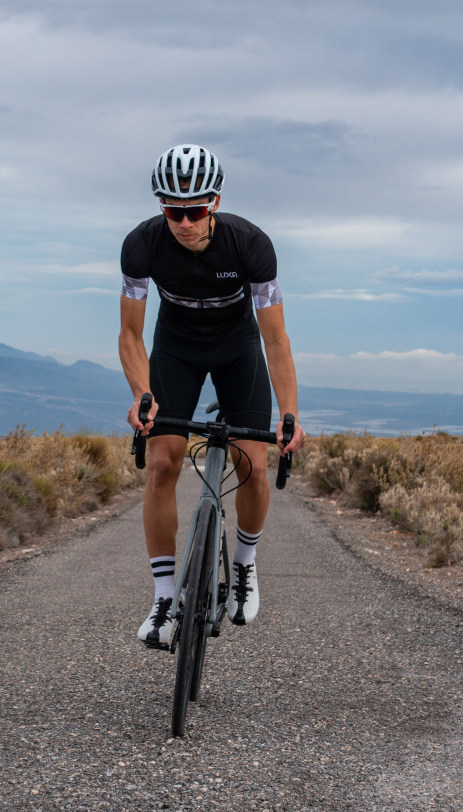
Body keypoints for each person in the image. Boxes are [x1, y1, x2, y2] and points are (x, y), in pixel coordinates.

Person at [119, 143, 306, 647]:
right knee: (162, 463)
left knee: (254, 465)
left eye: (195, 210)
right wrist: (143, 394)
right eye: (172, 210)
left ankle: (243, 566)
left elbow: (275, 339)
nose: (183, 221)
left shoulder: (251, 245)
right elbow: (131, 336)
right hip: (175, 348)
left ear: (215, 203)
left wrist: (288, 413)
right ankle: (163, 597)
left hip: (237, 348)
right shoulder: (141, 245)